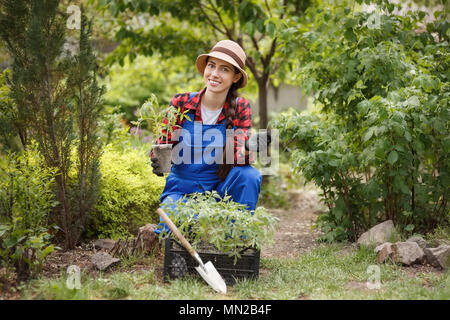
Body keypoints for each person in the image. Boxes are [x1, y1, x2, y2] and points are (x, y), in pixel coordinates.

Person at [151, 40, 269, 235]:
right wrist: (156, 158)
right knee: (170, 236)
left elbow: (238, 161)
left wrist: (248, 147)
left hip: (218, 192)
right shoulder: (182, 103)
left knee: (250, 175)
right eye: (211, 66)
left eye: (224, 69)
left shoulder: (240, 107)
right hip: (182, 190)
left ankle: (236, 243)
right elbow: (164, 141)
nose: (214, 74)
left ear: (236, 76)